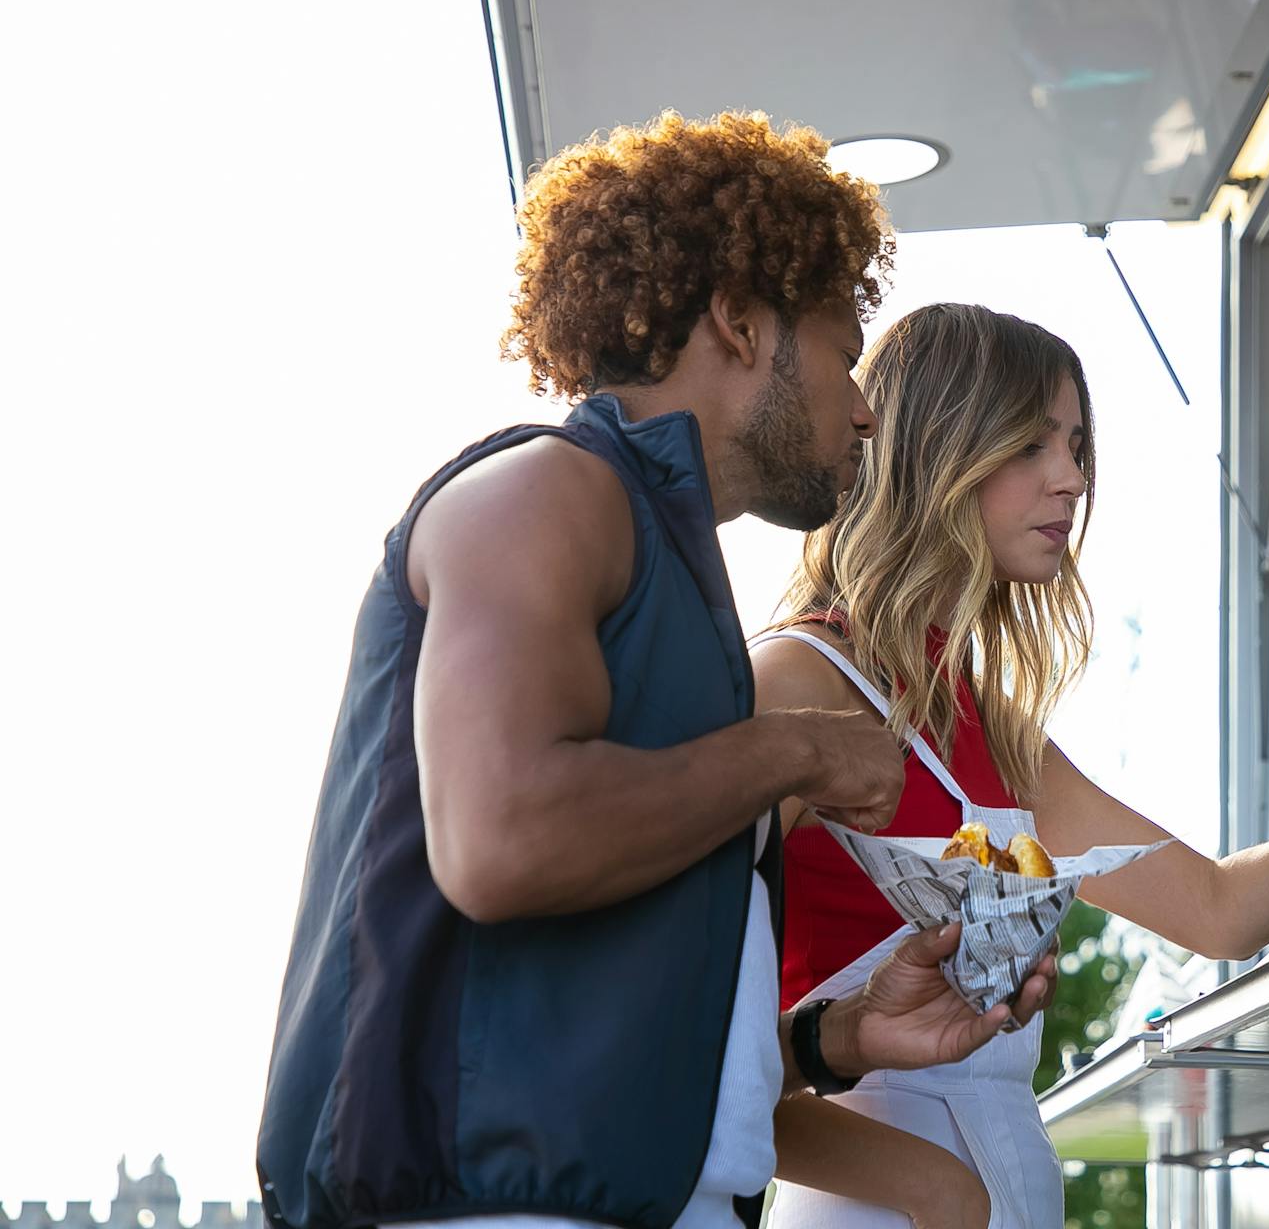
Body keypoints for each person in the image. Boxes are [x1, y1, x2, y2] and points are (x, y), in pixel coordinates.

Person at [255, 115, 1054, 1229]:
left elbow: (623, 1015)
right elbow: (504, 838)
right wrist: (801, 746)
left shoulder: (668, 563)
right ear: (738, 321)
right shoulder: (542, 493)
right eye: (841, 346)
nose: (864, 404)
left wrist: (837, 1037)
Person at [751, 303, 1269, 1228]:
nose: (1071, 479)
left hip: (1003, 1188)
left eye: (1076, 447)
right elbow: (683, 1046)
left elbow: (1219, 911)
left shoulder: (989, 725)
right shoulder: (797, 678)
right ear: (937, 449)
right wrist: (930, 1187)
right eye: (1033, 444)